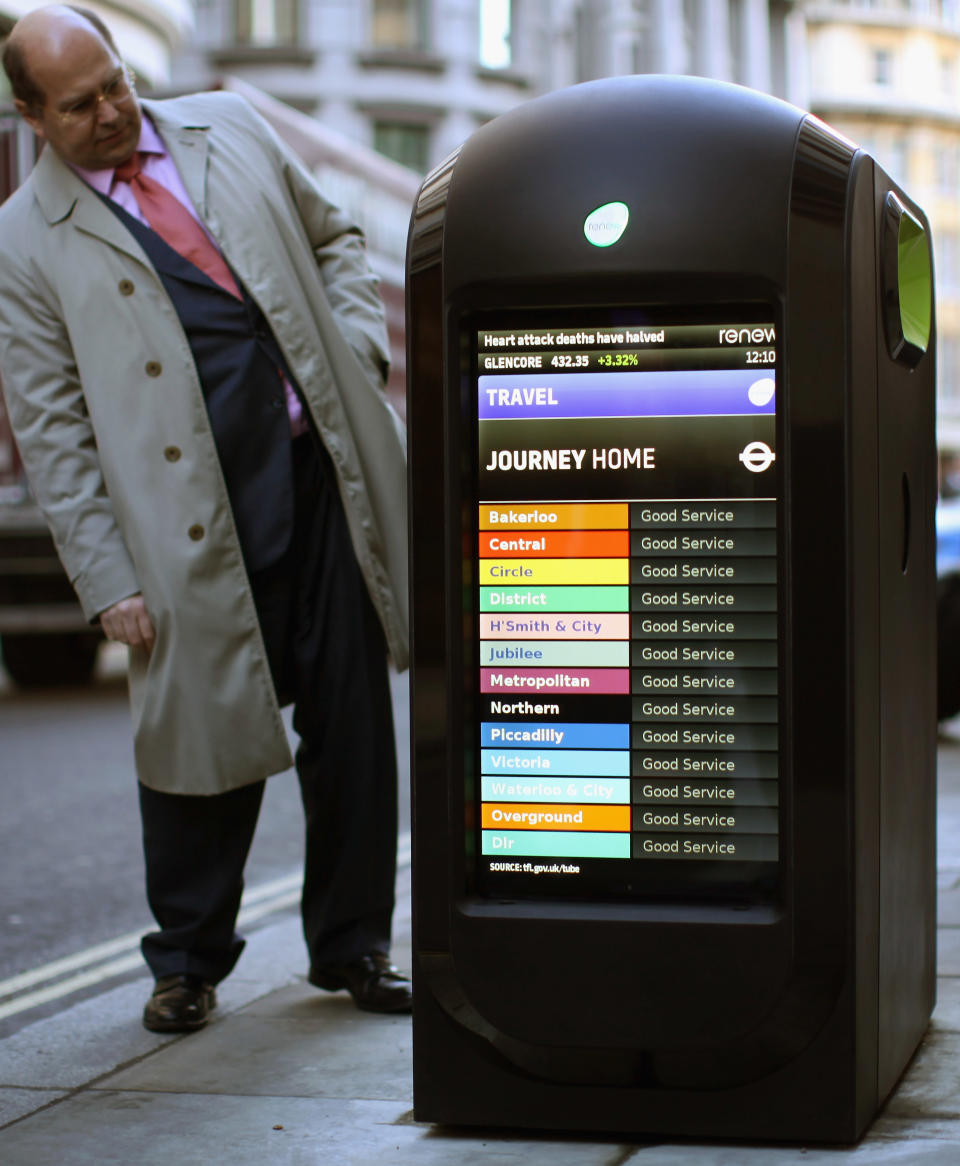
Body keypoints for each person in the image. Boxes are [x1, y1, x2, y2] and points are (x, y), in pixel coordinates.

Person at [0, 6, 411, 1030]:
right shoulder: (20, 241)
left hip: (318, 474)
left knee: (354, 722)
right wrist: (108, 579)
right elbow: (52, 427)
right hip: (184, 517)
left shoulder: (231, 123)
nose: (112, 111)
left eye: (117, 84)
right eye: (81, 103)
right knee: (196, 739)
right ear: (30, 114)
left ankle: (355, 944)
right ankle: (186, 959)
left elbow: (335, 237)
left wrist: (356, 350)